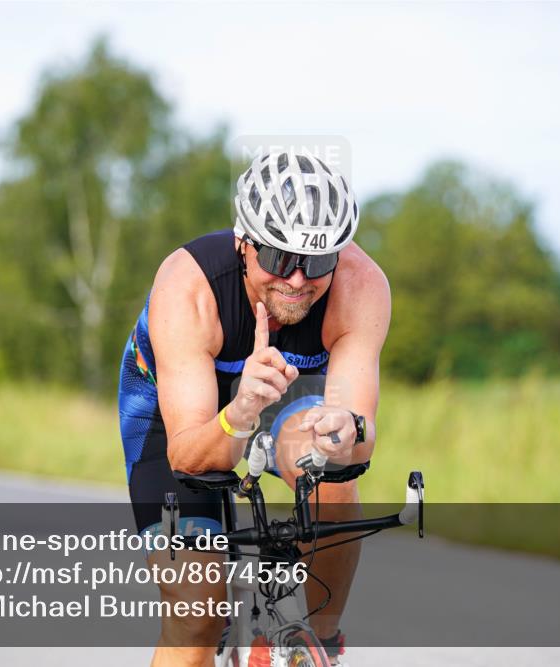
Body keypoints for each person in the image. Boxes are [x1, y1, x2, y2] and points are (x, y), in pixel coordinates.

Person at [118, 150, 391, 666]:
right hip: (176, 412)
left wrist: (344, 431)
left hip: (287, 393)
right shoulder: (188, 287)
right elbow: (191, 457)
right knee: (197, 618)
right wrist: (240, 411)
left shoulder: (361, 286)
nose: (296, 280)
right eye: (279, 259)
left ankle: (319, 644)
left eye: (316, 262)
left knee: (334, 470)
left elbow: (360, 432)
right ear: (245, 243)